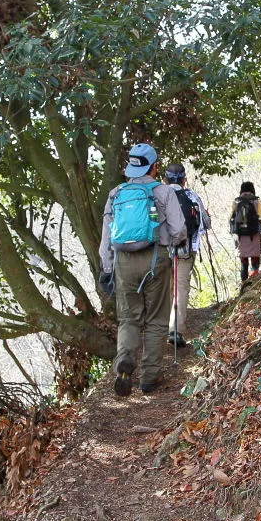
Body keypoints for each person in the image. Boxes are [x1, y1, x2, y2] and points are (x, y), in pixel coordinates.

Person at [98, 143, 186, 396]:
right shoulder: (163, 192)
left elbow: (107, 238)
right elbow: (179, 230)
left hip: (123, 261)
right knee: (156, 319)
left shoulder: (116, 194)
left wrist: (106, 267)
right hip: (155, 258)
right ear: (154, 166)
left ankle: (124, 363)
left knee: (128, 318)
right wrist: (170, 239)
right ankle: (149, 376)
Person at [164, 163, 211, 348]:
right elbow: (206, 223)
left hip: (161, 250)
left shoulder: (157, 195)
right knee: (180, 288)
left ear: (165, 179)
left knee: (165, 287)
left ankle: (161, 329)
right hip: (185, 250)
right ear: (184, 179)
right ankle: (176, 330)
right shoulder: (191, 196)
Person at [229, 181, 261, 283]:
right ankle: (255, 282)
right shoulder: (256, 200)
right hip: (254, 235)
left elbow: (231, 218)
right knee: (254, 260)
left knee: (243, 263)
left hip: (240, 237)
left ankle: (244, 284)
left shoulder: (236, 201)